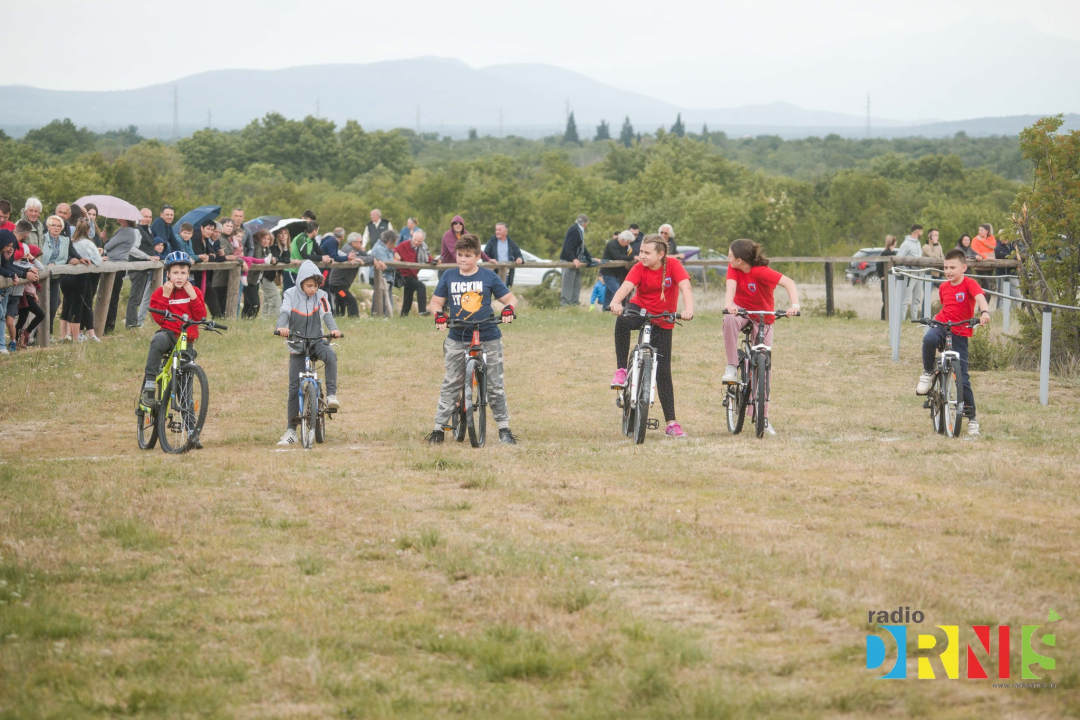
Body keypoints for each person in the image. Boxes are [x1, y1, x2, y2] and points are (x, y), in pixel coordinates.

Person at [427, 232, 519, 445]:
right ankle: (438, 429)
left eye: (468, 255)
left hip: (488, 335)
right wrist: (439, 314)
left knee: (495, 385)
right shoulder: (449, 276)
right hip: (457, 335)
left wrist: (508, 309)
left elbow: (509, 298)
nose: (462, 259)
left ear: (478, 256)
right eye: (459, 255)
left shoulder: (489, 276)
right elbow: (436, 302)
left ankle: (504, 429)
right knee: (451, 382)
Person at [608, 234, 695, 437]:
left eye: (647, 253)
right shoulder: (639, 268)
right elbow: (627, 287)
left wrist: (688, 309)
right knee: (622, 321)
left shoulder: (673, 265)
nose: (642, 256)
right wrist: (616, 302)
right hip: (640, 310)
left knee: (663, 372)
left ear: (661, 254)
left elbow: (685, 287)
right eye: (641, 252)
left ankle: (672, 423)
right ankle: (621, 369)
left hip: (664, 318)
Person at [720, 238, 800, 436]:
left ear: (740, 259)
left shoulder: (761, 272)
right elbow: (730, 288)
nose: (728, 257)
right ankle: (731, 365)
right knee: (729, 319)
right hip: (741, 310)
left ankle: (762, 418)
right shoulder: (734, 268)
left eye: (730, 255)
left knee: (763, 362)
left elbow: (788, 283)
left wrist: (795, 305)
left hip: (763, 315)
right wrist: (730, 304)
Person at [915, 249, 991, 437]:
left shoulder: (970, 283)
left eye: (952, 267)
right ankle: (928, 372)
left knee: (963, 379)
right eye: (945, 267)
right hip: (942, 324)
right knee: (929, 338)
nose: (948, 271)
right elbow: (945, 306)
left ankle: (972, 418)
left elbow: (981, 298)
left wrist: (984, 312)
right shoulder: (943, 287)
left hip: (960, 331)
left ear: (963, 267)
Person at [275, 260, 342, 447]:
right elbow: (285, 311)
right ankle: (291, 431)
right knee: (293, 387)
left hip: (316, 340)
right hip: (297, 343)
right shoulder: (290, 294)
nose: (313, 289)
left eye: (315, 285)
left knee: (330, 355)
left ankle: (331, 396)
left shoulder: (321, 295)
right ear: (301, 283)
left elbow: (327, 314)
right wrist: (281, 327)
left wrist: (334, 329)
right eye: (309, 285)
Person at [140, 253, 206, 425]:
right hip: (169, 334)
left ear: (188, 274)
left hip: (186, 338)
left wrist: (193, 296)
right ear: (168, 274)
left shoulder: (195, 291)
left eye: (183, 273)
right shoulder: (162, 291)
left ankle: (191, 428)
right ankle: (149, 385)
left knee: (185, 384)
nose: (179, 277)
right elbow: (158, 318)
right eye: (175, 273)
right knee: (158, 341)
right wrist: (166, 295)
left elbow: (201, 315)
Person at [102, 218, 149, 334]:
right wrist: (105, 239)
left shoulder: (127, 231)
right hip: (116, 263)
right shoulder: (124, 230)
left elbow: (108, 246)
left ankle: (108, 325)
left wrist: (106, 242)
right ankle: (107, 324)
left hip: (116, 264)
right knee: (111, 296)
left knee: (111, 296)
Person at [61, 218, 103, 342]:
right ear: (89, 230)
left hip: (66, 276)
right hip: (81, 277)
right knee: (78, 306)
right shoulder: (88, 243)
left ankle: (64, 335)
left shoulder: (71, 241)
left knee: (67, 305)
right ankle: (75, 337)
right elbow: (98, 261)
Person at [0, 229, 41, 353]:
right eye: (8, 246)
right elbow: (4, 269)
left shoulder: (5, 254)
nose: (10, 249)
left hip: (9, 292)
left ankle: (4, 344)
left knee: (3, 317)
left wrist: (7, 260)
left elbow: (6, 265)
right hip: (8, 292)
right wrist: (13, 274)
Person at [39, 215, 77, 334]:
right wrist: (45, 266)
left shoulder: (65, 240)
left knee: (53, 306)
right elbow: (40, 256)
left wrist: (54, 264)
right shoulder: (42, 238)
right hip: (41, 276)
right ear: (48, 227)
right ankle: (36, 334)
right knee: (40, 306)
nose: (56, 228)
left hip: (55, 277)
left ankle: (48, 333)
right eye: (53, 225)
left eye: (59, 225)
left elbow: (65, 258)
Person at [326, 233, 378, 317]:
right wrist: (371, 259)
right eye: (360, 242)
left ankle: (339, 317)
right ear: (354, 243)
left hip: (341, 284)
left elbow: (368, 256)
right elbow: (360, 258)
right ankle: (354, 318)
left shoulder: (356, 250)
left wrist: (374, 259)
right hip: (337, 285)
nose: (362, 243)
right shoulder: (348, 249)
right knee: (350, 301)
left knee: (341, 300)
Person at [10, 228, 44, 350]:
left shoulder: (30, 264)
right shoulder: (23, 264)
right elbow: (28, 285)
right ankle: (24, 334)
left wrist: (33, 259)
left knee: (23, 318)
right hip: (24, 295)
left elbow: (42, 268)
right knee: (40, 314)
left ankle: (17, 338)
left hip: (27, 295)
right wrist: (34, 294)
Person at [396, 228, 431, 316]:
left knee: (408, 295)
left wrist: (435, 261)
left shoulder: (423, 248)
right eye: (415, 240)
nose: (416, 242)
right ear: (412, 237)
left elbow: (428, 258)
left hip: (413, 274)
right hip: (404, 274)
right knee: (421, 286)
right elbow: (394, 250)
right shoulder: (404, 244)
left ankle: (404, 315)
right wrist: (396, 254)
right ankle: (422, 311)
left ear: (422, 241)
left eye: (419, 241)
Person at [559, 214, 591, 306]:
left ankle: (574, 304)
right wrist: (573, 259)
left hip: (575, 260)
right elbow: (568, 246)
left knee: (576, 284)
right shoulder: (575, 230)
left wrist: (590, 257)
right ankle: (565, 305)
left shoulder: (579, 230)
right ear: (586, 223)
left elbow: (581, 247)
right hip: (568, 260)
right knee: (568, 283)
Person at [251, 229, 282, 319]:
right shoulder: (258, 247)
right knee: (273, 297)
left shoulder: (267, 248)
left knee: (264, 300)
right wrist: (271, 260)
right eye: (264, 238)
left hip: (259, 277)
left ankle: (264, 319)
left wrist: (274, 259)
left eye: (268, 239)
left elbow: (274, 257)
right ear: (259, 238)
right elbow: (259, 259)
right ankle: (272, 317)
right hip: (255, 277)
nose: (266, 241)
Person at [896, 224, 924, 321]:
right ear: (917, 231)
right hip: (910, 273)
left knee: (917, 298)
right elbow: (898, 259)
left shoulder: (918, 243)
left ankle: (914, 319)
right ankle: (902, 319)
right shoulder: (906, 244)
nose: (922, 233)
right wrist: (906, 271)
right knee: (906, 297)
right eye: (921, 231)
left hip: (919, 272)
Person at [601, 230, 634, 311]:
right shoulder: (611, 244)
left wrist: (630, 258)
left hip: (617, 273)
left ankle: (605, 309)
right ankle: (617, 309)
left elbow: (628, 255)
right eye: (628, 242)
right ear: (622, 240)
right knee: (617, 291)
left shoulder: (625, 246)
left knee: (608, 293)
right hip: (608, 272)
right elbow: (618, 256)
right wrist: (632, 258)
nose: (628, 244)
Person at [369, 230, 398, 317]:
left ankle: (383, 316)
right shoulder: (379, 249)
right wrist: (395, 264)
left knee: (386, 298)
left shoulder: (386, 248)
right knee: (381, 298)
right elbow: (386, 265)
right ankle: (380, 316)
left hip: (386, 278)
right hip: (379, 277)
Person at [878, 234, 897, 321]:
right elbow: (878, 264)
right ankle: (884, 317)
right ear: (893, 242)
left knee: (889, 299)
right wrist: (881, 275)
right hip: (886, 279)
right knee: (886, 299)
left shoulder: (891, 253)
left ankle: (887, 317)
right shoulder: (886, 253)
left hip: (890, 279)